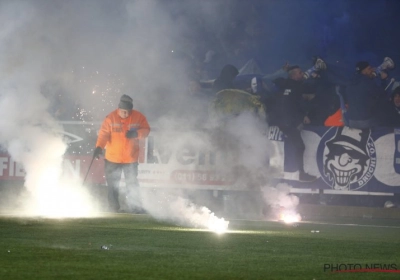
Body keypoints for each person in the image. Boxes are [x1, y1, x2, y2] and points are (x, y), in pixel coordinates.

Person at [93, 94, 150, 213]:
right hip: (113, 159)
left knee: (132, 184)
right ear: (119, 109)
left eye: (128, 111)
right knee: (113, 184)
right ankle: (113, 208)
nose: (126, 114)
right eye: (123, 111)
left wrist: (136, 134)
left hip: (130, 158)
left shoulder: (138, 117)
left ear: (131, 109)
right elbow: (103, 135)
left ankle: (135, 208)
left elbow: (146, 130)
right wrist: (99, 147)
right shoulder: (110, 118)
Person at [269, 65, 317, 182]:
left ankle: (297, 173)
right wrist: (304, 115)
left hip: (279, 122)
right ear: (294, 75)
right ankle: (301, 174)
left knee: (296, 146)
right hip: (289, 122)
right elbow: (297, 104)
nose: (302, 75)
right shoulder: (297, 87)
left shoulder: (281, 83)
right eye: (300, 73)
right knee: (300, 146)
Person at [344, 61, 388, 129]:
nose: (372, 70)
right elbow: (381, 94)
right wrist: (383, 80)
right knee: (382, 123)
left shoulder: (351, 81)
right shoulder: (367, 82)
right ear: (364, 70)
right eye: (369, 68)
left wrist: (370, 78)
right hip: (365, 120)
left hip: (352, 120)